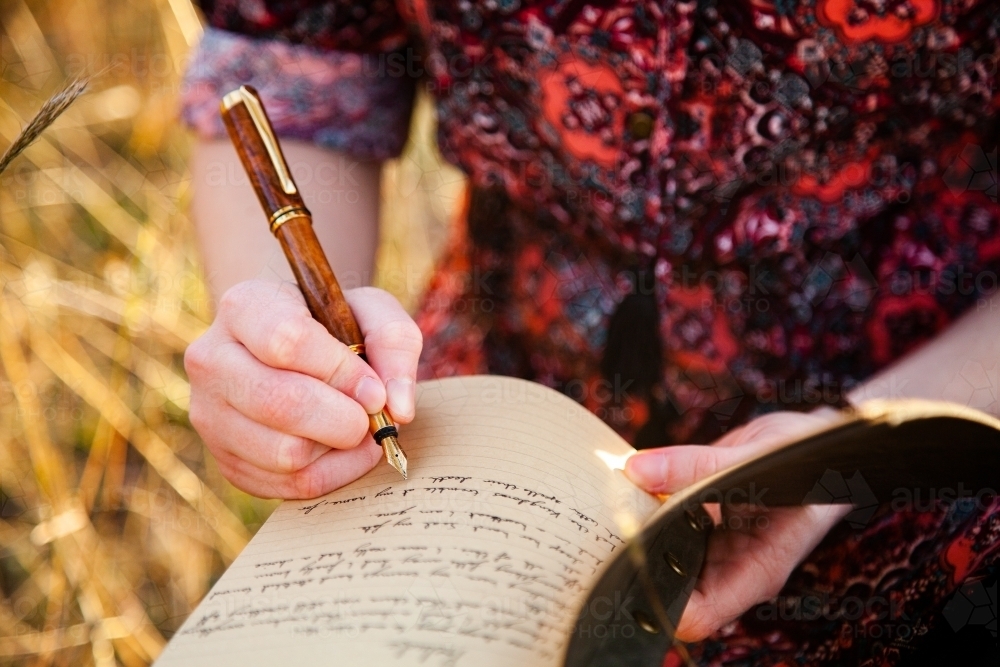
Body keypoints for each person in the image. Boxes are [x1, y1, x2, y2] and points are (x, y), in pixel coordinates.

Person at [180, 1, 1000, 663]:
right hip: (479, 423)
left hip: (941, 444)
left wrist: (860, 442)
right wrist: (283, 338)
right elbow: (297, 58)